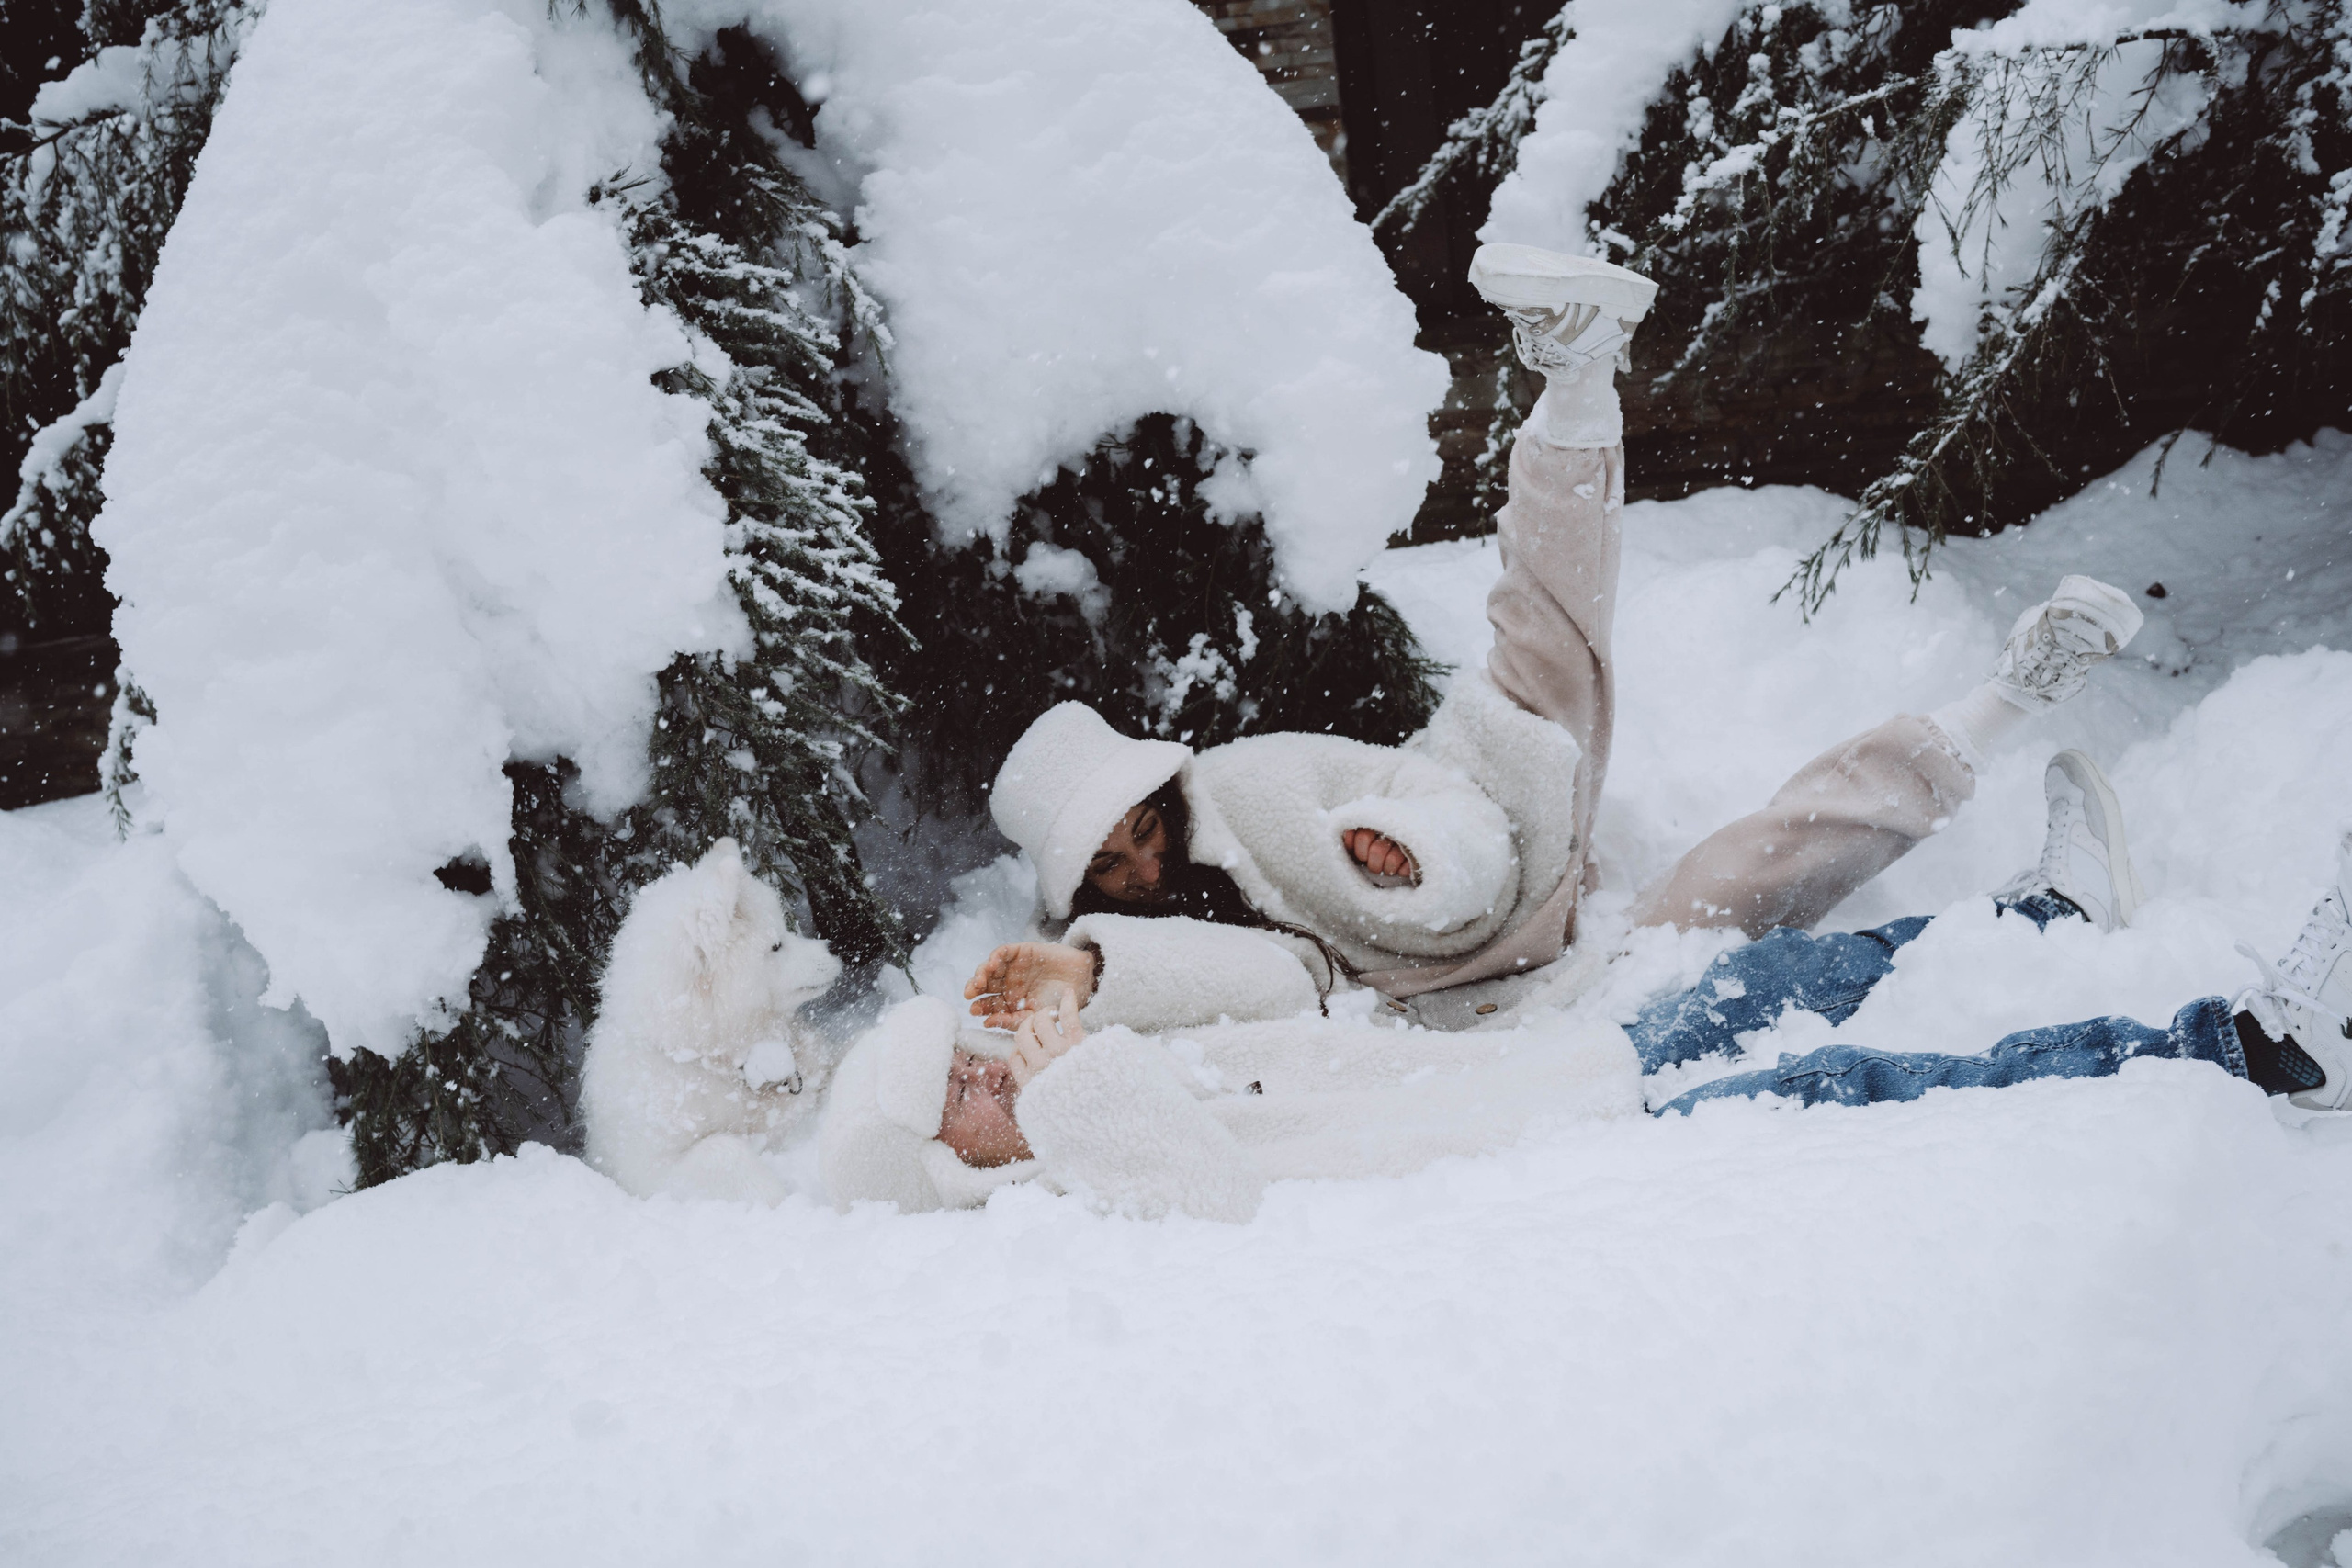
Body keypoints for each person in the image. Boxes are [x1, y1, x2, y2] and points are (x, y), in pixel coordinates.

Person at [967, 243, 2146, 1037]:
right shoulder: (1123, 935)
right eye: (1110, 867)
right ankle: (2009, 702)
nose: (1140, 864)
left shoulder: (1235, 787)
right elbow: (1278, 979)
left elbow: (1385, 788)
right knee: (1755, 871)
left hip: (1482, 848)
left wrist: (1400, 846)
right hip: (1518, 982)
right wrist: (1089, 970)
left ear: (1156, 791)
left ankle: (1577, 376)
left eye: (1135, 829)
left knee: (1539, 624)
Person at [819, 764, 2352, 1219]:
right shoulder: (1072, 1207)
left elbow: (1297, 1027)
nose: (989, 1074)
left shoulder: (1091, 1117)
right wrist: (1073, 1069)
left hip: (1549, 1077)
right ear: (940, 1165)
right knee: (1864, 1094)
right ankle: (2248, 1048)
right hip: (1574, 1155)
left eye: (968, 1058)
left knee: (1775, 973)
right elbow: (1206, 1200)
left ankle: (2044, 907)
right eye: (957, 1094)